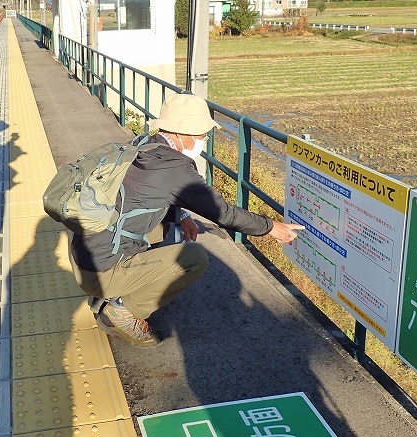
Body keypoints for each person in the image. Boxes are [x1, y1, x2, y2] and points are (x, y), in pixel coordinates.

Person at [68, 93, 304, 348]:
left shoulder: (145, 144)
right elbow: (222, 212)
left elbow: (149, 195)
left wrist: (184, 215)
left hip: (83, 251)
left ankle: (114, 291)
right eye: (202, 135)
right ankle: (121, 309)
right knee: (194, 258)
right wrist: (270, 227)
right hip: (99, 271)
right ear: (183, 135)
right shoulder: (177, 168)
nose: (204, 140)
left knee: (162, 226)